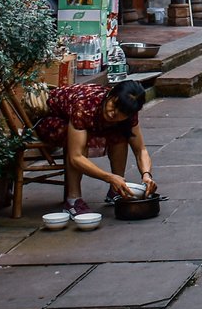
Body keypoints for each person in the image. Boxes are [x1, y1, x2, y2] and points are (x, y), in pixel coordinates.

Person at [35, 78, 154, 213]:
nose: (112, 113)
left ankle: (116, 190)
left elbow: (140, 150)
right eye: (113, 105)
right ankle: (73, 201)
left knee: (121, 133)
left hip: (82, 122)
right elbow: (76, 157)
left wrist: (146, 176)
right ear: (110, 94)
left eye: (121, 113)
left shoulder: (130, 115)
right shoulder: (84, 105)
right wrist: (109, 177)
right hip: (51, 121)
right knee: (80, 144)